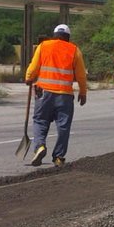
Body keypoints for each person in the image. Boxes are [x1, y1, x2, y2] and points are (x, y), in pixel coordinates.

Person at [24, 24, 88, 167]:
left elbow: (34, 67)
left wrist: (29, 77)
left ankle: (40, 146)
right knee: (63, 127)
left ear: (54, 35)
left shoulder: (43, 46)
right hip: (64, 95)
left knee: (40, 121)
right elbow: (81, 75)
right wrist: (83, 92)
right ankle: (58, 157)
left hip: (44, 93)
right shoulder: (74, 50)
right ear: (68, 37)